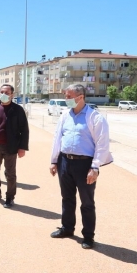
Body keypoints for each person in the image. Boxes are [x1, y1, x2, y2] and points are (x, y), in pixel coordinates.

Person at [49, 84, 113, 249]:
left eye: (69, 96)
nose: (66, 99)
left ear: (80, 97)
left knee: (87, 202)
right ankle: (67, 228)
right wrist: (54, 161)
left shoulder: (95, 117)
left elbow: (102, 144)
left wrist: (95, 167)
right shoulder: (65, 116)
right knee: (67, 198)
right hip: (65, 161)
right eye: (66, 96)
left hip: (85, 164)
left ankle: (88, 237)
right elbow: (57, 138)